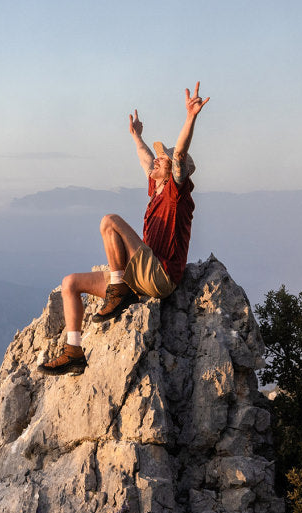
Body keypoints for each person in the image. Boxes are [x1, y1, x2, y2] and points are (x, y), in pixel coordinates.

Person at [39, 82, 210, 375]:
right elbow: (146, 160)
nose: (157, 160)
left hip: (160, 275)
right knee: (70, 283)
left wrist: (190, 118)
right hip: (140, 276)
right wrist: (136, 137)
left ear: (172, 171)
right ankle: (74, 352)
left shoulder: (176, 193)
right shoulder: (156, 189)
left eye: (162, 160)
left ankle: (118, 289)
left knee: (110, 221)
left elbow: (179, 155)